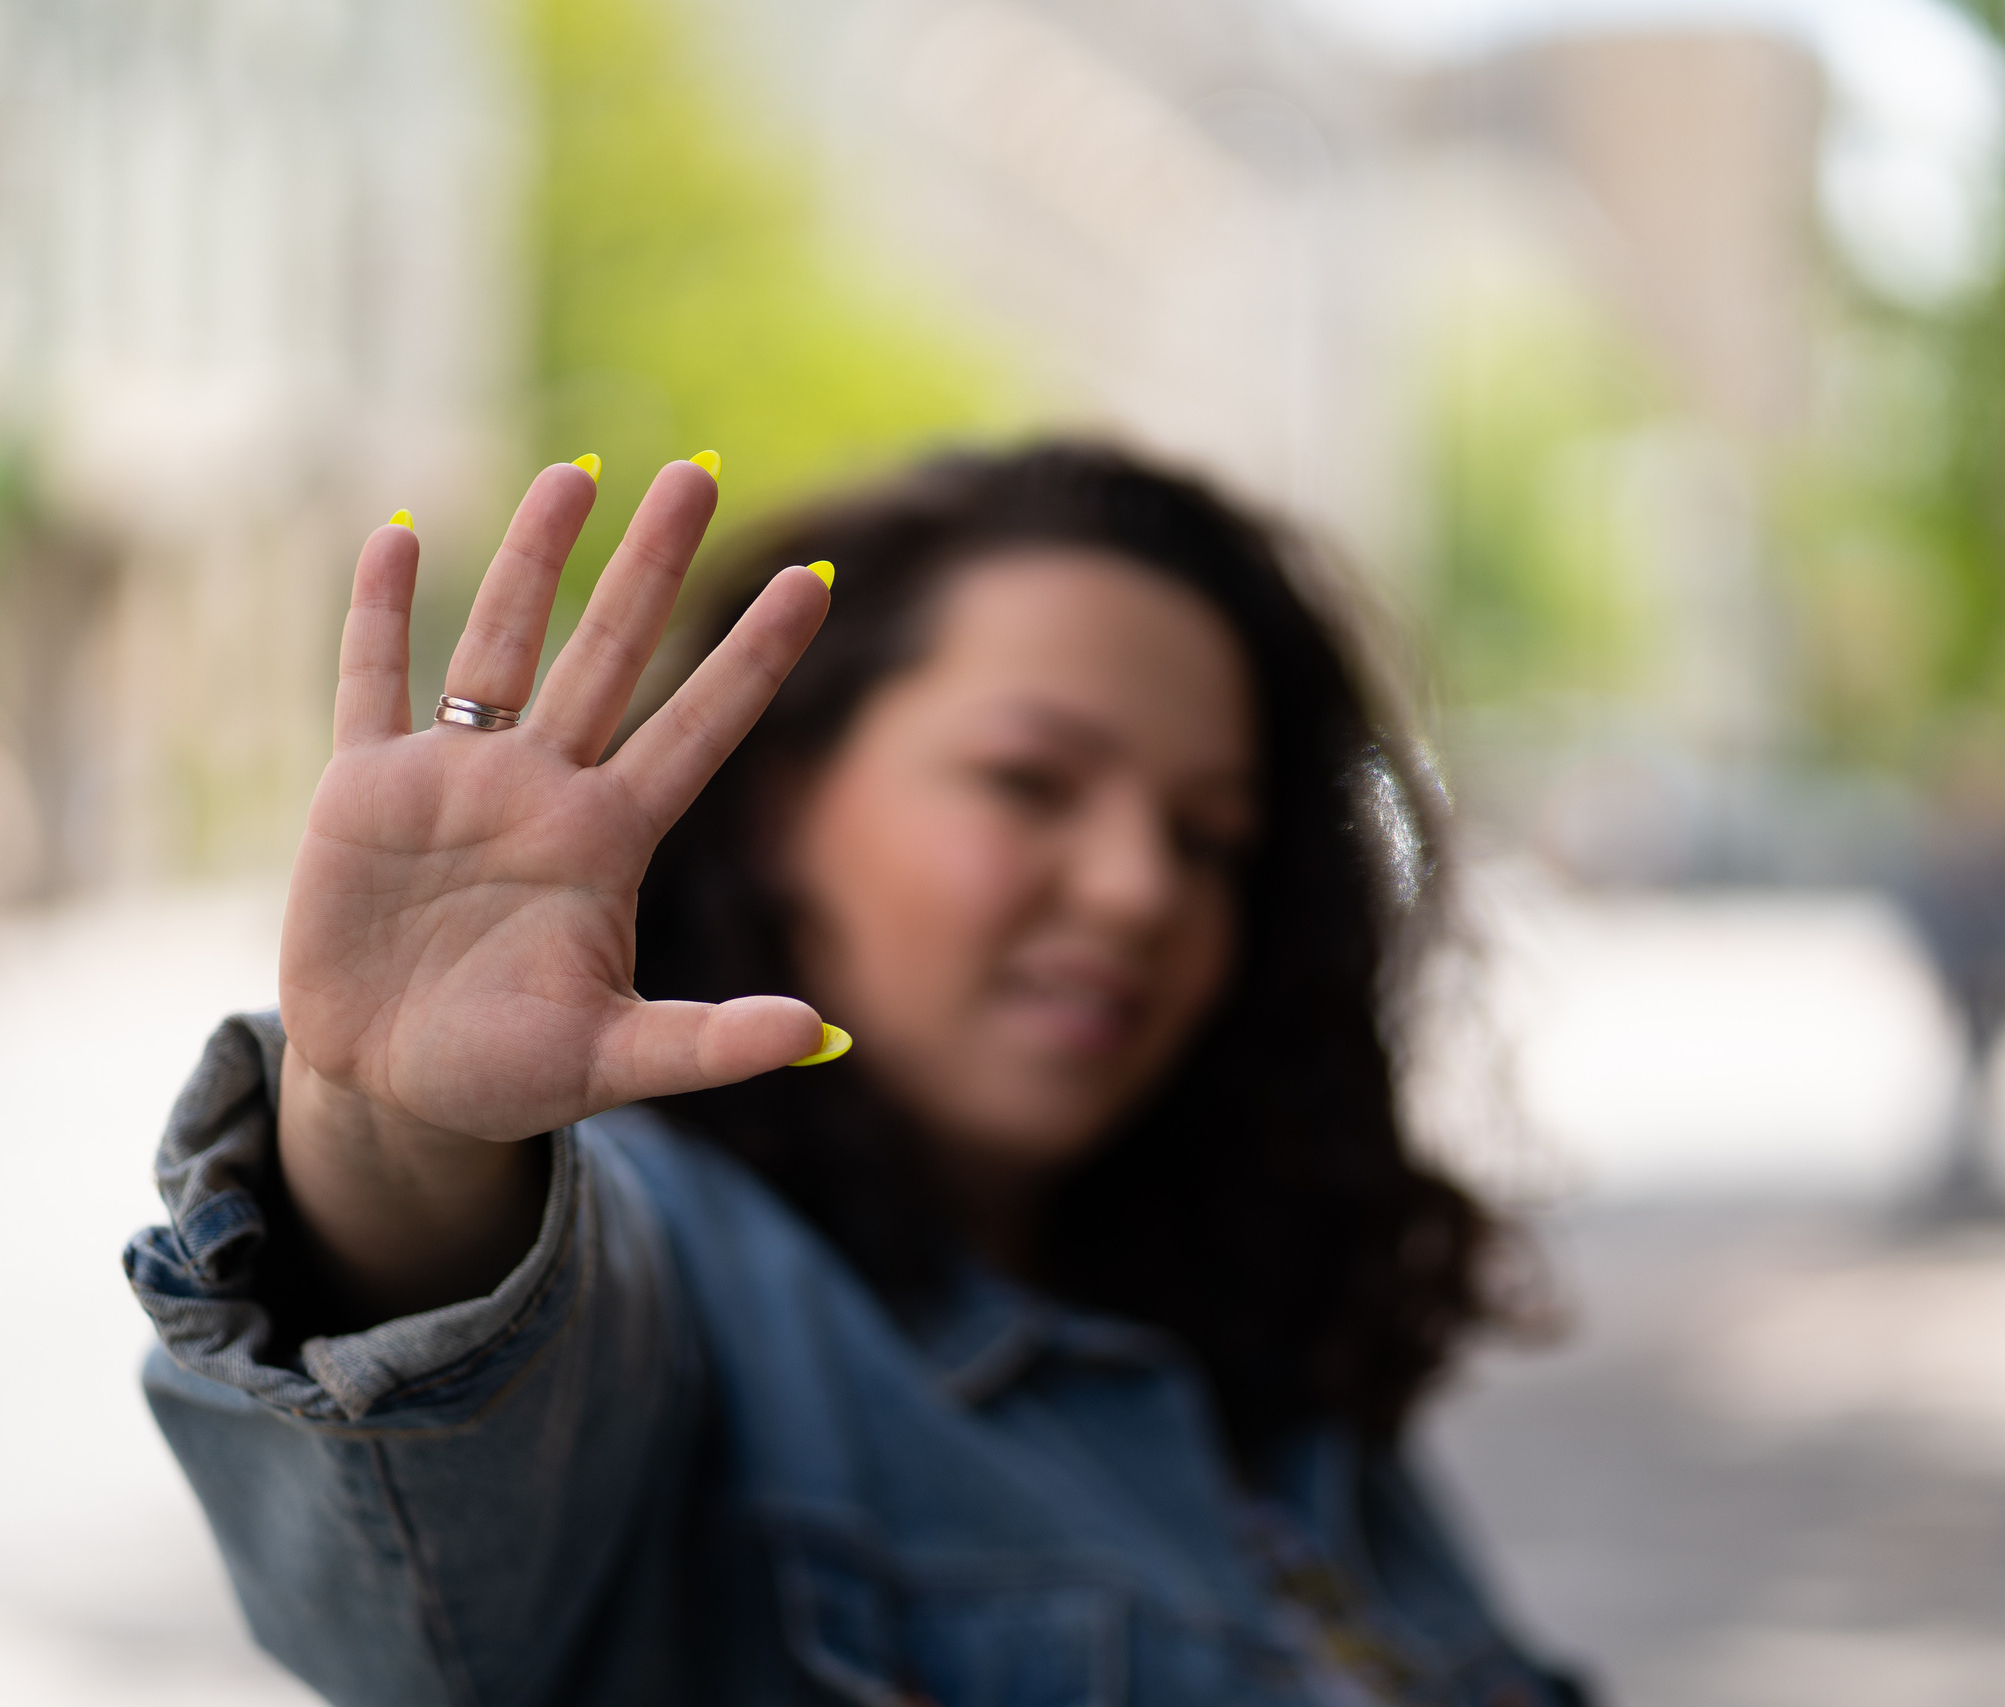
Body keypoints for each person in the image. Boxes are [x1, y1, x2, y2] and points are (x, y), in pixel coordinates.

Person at [126, 441, 1589, 1705]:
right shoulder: (686, 1286)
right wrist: (393, 1133)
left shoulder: (1256, 1358)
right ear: (778, 804)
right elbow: (433, 1475)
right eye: (1031, 783)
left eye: (1210, 837)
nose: (1143, 889)